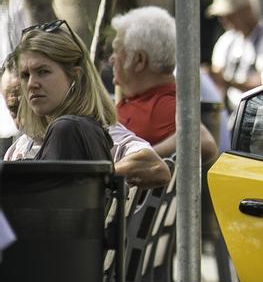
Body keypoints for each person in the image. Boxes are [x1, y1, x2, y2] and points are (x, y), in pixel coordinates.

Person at [4, 23, 170, 187]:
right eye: (25, 75)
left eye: (43, 72)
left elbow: (156, 168)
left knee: (66, 128)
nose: (32, 84)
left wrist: (94, 176)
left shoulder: (98, 131)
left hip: (65, 210)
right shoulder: (21, 146)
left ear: (75, 76)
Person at [110, 5, 217, 162]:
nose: (112, 58)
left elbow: (205, 144)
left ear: (139, 60)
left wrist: (139, 159)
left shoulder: (167, 105)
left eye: (117, 50)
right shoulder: (139, 96)